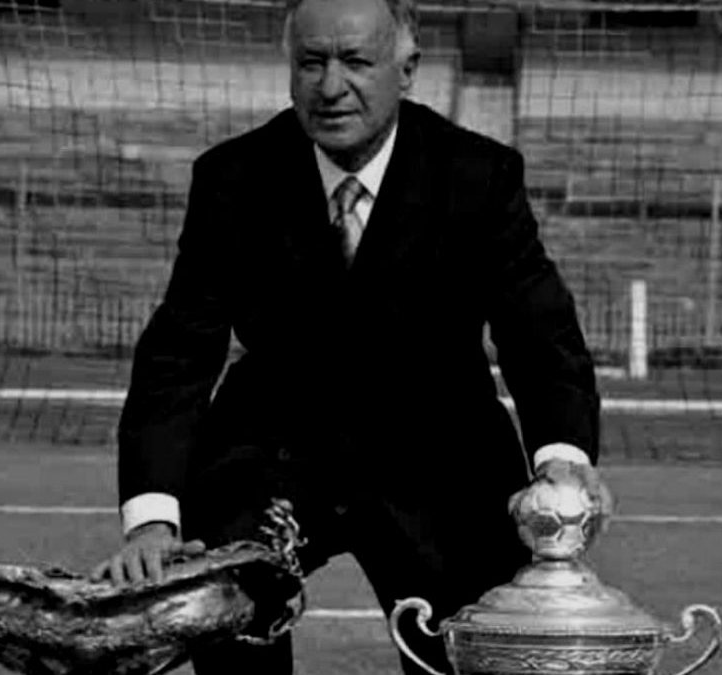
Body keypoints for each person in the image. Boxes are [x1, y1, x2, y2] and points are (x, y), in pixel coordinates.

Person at [92, 0, 611, 671]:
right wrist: (152, 520)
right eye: (311, 62)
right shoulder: (233, 178)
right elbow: (179, 352)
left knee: (473, 656)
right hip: (272, 456)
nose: (331, 86)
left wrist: (562, 461)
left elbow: (540, 336)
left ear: (407, 69)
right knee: (216, 599)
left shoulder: (477, 177)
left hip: (441, 458)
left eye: (356, 62)